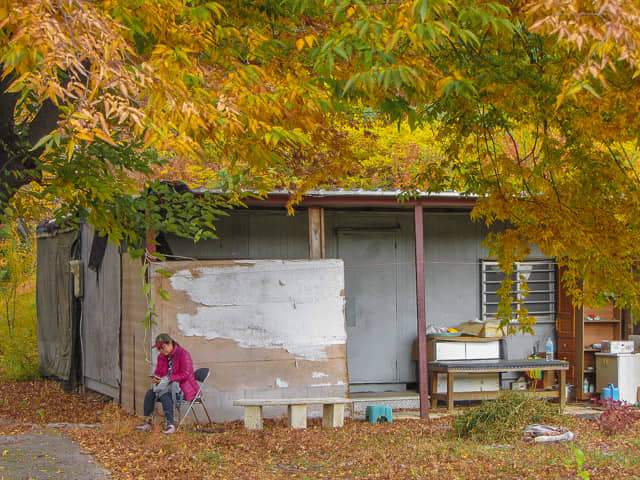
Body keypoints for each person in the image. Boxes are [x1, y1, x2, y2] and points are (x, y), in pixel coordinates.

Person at [135, 333, 198, 434]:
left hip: (183, 388)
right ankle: (147, 423)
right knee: (149, 393)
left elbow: (186, 374)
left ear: (170, 343)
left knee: (165, 395)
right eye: (159, 349)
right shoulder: (161, 357)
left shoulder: (183, 354)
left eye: (163, 347)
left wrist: (168, 378)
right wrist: (156, 378)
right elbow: (159, 372)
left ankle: (170, 425)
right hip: (166, 387)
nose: (161, 351)